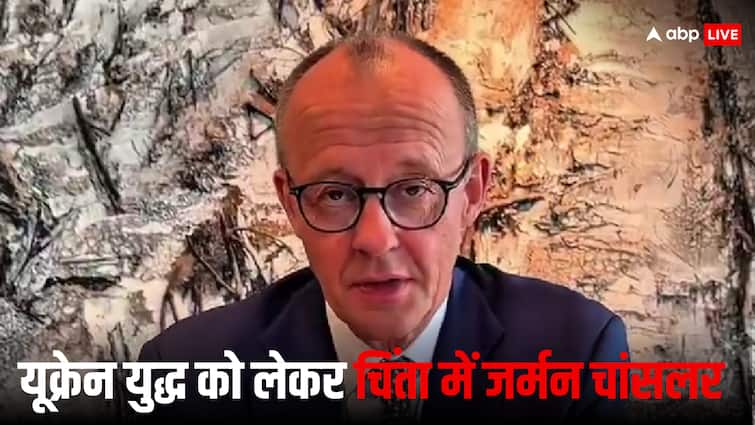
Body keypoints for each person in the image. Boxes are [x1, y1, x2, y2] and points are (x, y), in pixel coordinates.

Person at [137, 32, 629, 423]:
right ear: (290, 203)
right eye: (335, 194)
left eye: (414, 189)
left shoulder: (577, 353)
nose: (375, 240)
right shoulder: (186, 374)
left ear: (473, 192)